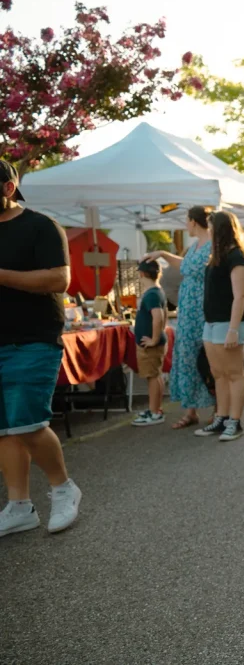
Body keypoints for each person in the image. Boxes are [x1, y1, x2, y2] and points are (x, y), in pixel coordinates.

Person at [0, 159, 82, 537]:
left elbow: (59, 279)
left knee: (29, 423)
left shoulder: (41, 226)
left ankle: (63, 488)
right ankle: (19, 506)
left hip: (32, 338)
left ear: (8, 189)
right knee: (4, 428)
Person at [143, 206, 215, 429]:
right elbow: (185, 266)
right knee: (187, 357)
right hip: (188, 311)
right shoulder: (195, 247)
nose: (185, 225)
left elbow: (194, 269)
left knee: (208, 358)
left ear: (193, 222)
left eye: (186, 221)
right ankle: (190, 410)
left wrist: (164, 255)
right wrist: (164, 254)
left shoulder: (214, 246)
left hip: (203, 310)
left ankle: (217, 409)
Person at [194, 211, 244, 442]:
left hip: (228, 322)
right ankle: (222, 416)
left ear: (219, 229)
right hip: (212, 321)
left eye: (210, 227)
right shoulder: (216, 256)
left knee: (234, 373)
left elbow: (240, 297)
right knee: (218, 374)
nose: (207, 230)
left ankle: (235, 422)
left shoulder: (236, 257)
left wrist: (233, 329)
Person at [131, 260, 168, 427]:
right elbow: (163, 316)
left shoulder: (151, 294)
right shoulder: (157, 291)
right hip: (155, 341)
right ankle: (156, 408)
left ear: (142, 274)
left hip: (150, 345)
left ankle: (154, 412)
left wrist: (153, 339)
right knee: (156, 375)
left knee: (152, 377)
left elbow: (158, 316)